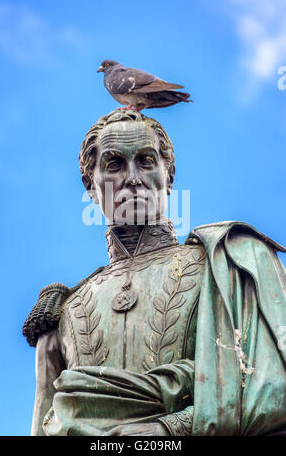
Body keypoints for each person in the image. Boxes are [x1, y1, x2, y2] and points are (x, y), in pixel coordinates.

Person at [23, 109, 286, 436]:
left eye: (146, 161)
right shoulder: (63, 312)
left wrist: (167, 430)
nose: (132, 178)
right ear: (90, 186)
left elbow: (275, 393)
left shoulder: (228, 264)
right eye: (114, 164)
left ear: (169, 176)